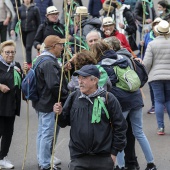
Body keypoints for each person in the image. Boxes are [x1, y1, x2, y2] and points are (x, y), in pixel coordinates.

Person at [91, 40, 157, 170]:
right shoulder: (123, 57)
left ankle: (120, 166)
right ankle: (151, 163)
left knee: (118, 133)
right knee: (139, 132)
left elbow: (108, 85)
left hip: (121, 101)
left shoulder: (102, 65)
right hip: (136, 97)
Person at [53, 64, 127, 170]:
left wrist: (114, 153)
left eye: (84, 78)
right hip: (78, 158)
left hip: (103, 158)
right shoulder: (74, 97)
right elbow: (64, 122)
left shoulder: (108, 99)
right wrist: (59, 114)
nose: (80, 81)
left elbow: (120, 127)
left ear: (94, 80)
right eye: (79, 78)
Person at [33, 35, 69, 170]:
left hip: (42, 102)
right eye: (60, 45)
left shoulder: (41, 58)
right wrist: (67, 96)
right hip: (49, 103)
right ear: (53, 47)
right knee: (47, 134)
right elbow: (54, 85)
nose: (62, 47)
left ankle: (42, 159)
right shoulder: (49, 63)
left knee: (42, 133)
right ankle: (45, 164)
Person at [0, 40, 27, 169]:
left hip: (11, 105)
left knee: (8, 132)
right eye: (7, 52)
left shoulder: (16, 65)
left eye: (12, 52)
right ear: (1, 53)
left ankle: (2, 157)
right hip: (0, 104)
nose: (10, 54)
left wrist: (25, 72)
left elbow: (22, 81)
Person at [143, 20, 170, 135]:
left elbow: (147, 63)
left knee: (158, 101)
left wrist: (145, 75)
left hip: (155, 77)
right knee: (169, 100)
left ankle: (161, 127)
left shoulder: (152, 44)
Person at [138, 17, 162, 114]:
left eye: (158, 24)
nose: (156, 26)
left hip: (161, 65)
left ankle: (161, 104)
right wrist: (141, 44)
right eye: (155, 24)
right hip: (151, 66)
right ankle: (154, 105)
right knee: (152, 86)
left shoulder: (166, 36)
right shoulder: (148, 35)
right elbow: (142, 49)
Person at [10, 0, 41, 68]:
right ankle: (28, 59)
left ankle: (28, 63)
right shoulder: (20, 9)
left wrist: (39, 32)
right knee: (25, 46)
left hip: (32, 30)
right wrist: (12, 29)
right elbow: (15, 19)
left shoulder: (35, 9)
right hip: (23, 30)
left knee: (28, 47)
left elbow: (39, 21)